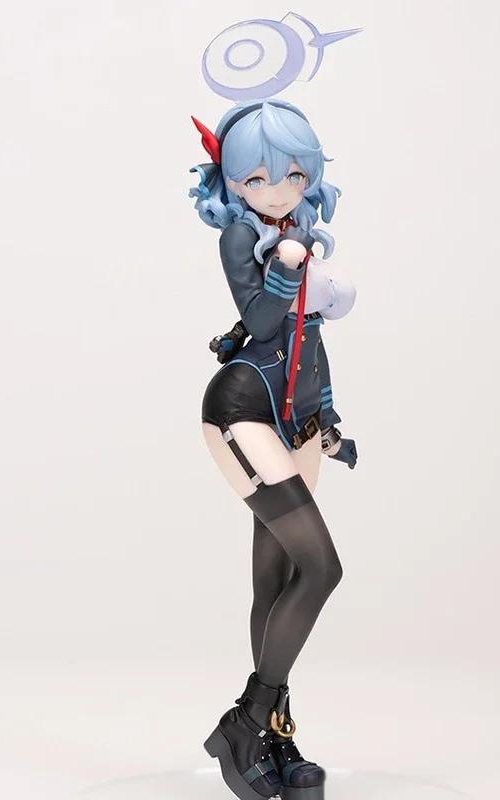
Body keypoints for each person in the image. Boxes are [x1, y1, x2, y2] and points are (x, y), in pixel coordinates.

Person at [189, 99, 357, 800]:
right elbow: (261, 322)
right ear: (231, 182)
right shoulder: (242, 237)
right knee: (322, 569)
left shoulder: (299, 230)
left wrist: (328, 417)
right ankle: (247, 720)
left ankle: (274, 736)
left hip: (296, 419)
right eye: (256, 178)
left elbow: (308, 340)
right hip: (241, 411)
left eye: (291, 174)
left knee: (278, 578)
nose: (277, 190)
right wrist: (287, 268)